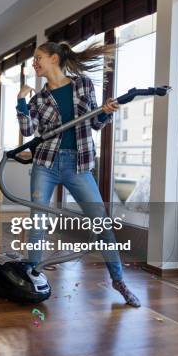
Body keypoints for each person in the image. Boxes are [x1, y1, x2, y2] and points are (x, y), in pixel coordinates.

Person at [16, 41, 141, 307]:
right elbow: (28, 131)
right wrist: (20, 103)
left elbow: (95, 122)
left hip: (79, 165)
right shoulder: (38, 99)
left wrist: (105, 113)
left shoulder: (82, 84)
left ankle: (119, 281)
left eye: (38, 58)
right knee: (37, 225)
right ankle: (31, 281)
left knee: (102, 224)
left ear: (53, 58)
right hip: (46, 164)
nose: (34, 63)